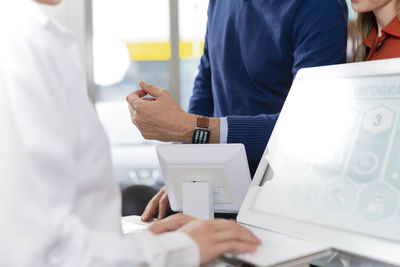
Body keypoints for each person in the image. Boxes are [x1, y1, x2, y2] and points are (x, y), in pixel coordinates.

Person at [0, 1, 261, 266]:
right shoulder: (16, 43)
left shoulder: (33, 37)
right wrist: (180, 249)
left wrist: (138, 245)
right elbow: (45, 254)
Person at [126, 0, 349, 221]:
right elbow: (207, 84)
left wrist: (190, 127)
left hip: (282, 195)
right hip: (218, 189)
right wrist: (185, 175)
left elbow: (308, 127)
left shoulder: (320, 6)